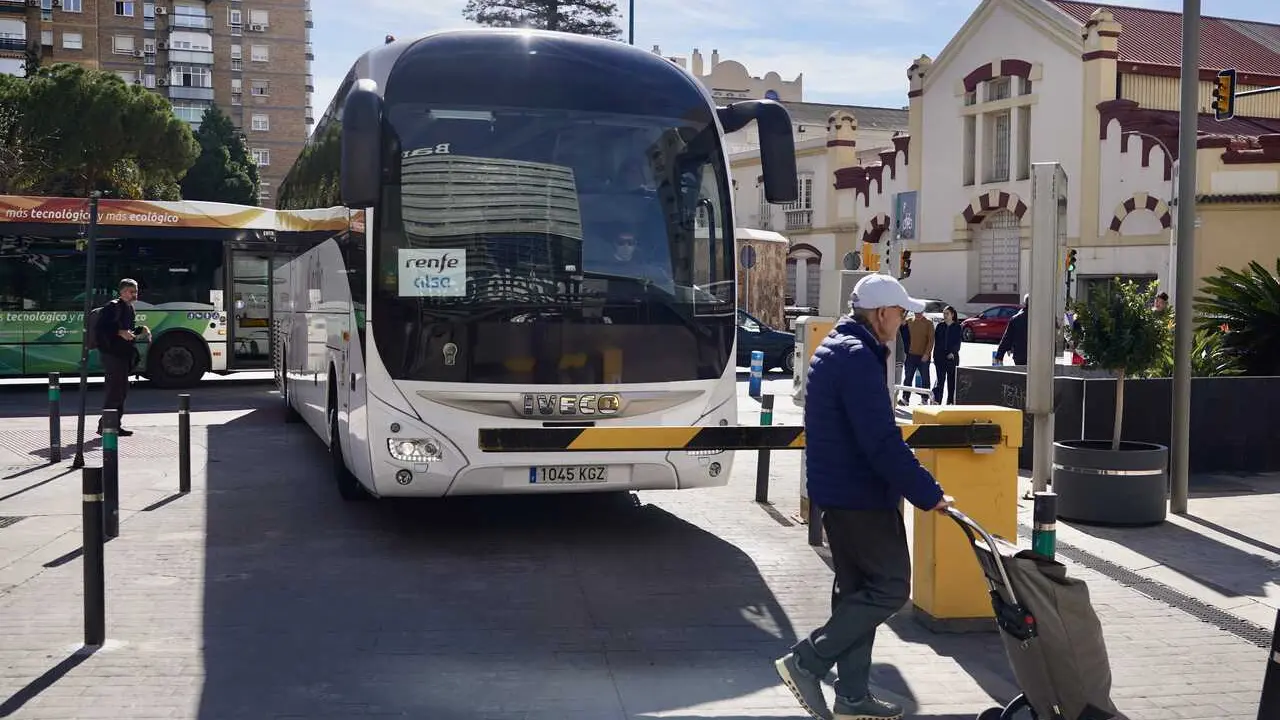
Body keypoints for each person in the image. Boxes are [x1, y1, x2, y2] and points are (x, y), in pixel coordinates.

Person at [774, 273, 953, 720]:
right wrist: (927, 492)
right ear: (881, 314)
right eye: (901, 313)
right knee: (891, 587)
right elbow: (880, 442)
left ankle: (851, 695)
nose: (905, 320)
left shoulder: (838, 347)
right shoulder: (857, 358)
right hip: (861, 497)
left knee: (858, 591)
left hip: (838, 494)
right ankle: (807, 660)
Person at [94, 278, 150, 437]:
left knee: (121, 391)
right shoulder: (112, 307)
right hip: (112, 355)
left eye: (136, 291)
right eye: (132, 291)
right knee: (115, 391)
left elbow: (128, 332)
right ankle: (108, 426)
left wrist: (141, 330)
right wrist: (119, 333)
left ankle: (113, 424)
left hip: (123, 354)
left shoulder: (129, 309)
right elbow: (102, 329)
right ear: (123, 292)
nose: (135, 294)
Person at [932, 305, 963, 404]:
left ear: (952, 315)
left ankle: (949, 401)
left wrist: (953, 352)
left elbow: (958, 343)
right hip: (940, 358)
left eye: (947, 314)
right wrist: (935, 356)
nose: (945, 316)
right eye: (944, 314)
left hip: (952, 359)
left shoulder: (957, 327)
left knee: (951, 382)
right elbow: (936, 342)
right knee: (940, 381)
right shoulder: (940, 326)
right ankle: (937, 401)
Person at [903, 310, 935, 400]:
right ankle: (905, 398)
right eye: (915, 312)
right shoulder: (909, 321)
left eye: (919, 312)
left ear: (923, 311)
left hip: (923, 356)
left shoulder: (928, 323)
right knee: (908, 377)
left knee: (925, 378)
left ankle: (924, 399)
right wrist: (905, 310)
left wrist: (927, 353)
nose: (917, 314)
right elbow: (901, 322)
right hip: (910, 355)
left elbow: (931, 340)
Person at [995, 294, 1029, 366]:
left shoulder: (1016, 318)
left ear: (1024, 304)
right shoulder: (1042, 317)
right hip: (1039, 356)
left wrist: (999, 355)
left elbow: (1007, 337)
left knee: (1021, 376)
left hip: (1020, 356)